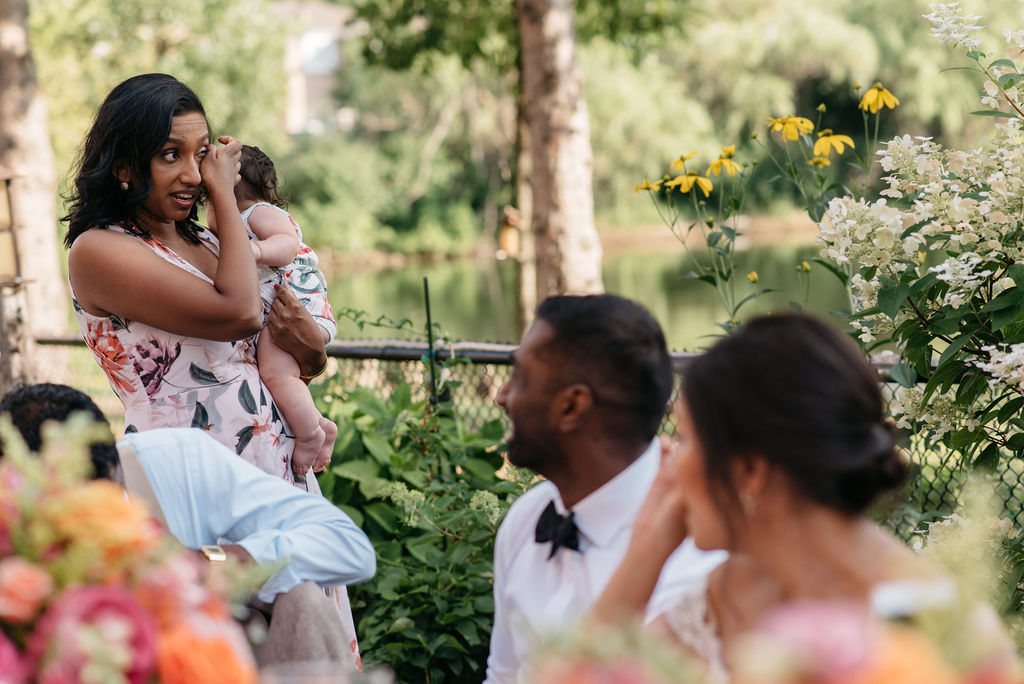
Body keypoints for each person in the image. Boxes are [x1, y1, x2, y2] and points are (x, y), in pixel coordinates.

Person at [590, 313, 1012, 681]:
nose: (670, 465)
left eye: (684, 438)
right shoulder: (720, 600)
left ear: (751, 470)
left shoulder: (927, 624)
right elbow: (577, 673)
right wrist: (648, 542)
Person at [63, 73, 327, 482]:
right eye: (171, 154)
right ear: (124, 167)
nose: (194, 174)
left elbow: (257, 356)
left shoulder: (209, 240)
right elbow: (240, 314)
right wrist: (224, 190)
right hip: (190, 473)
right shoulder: (99, 250)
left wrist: (313, 355)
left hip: (273, 460)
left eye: (201, 154)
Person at [0, 383, 376, 669]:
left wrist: (210, 563)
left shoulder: (174, 462)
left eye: (105, 505)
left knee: (304, 600)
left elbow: (348, 547)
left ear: (115, 464)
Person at [483, 294, 726, 684]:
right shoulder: (525, 519)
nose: (501, 396)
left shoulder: (694, 560)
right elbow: (503, 676)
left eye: (519, 378)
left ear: (571, 407)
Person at [209, 144, 337, 476]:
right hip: (288, 312)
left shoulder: (254, 214)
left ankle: (309, 434)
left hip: (297, 308)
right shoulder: (237, 221)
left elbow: (288, 241)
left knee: (276, 373)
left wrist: (253, 250)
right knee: (278, 379)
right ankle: (318, 422)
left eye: (206, 198)